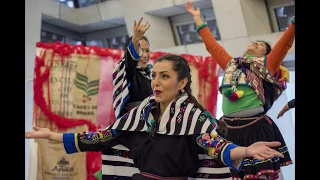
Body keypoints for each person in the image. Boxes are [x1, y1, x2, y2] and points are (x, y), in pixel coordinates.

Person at [26, 54, 285, 180]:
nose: (156, 82)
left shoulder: (194, 117)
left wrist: (246, 149)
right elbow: (102, 138)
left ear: (182, 82)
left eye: (165, 76)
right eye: (154, 76)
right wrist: (51, 135)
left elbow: (217, 147)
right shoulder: (139, 114)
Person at [185, 1, 294, 179]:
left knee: (261, 175)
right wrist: (197, 18)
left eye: (261, 45)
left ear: (266, 54)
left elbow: (285, 43)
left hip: (256, 128)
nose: (256, 44)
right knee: (232, 174)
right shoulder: (231, 65)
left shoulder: (268, 65)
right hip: (228, 128)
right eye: (255, 42)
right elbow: (212, 46)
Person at [98, 17, 154, 179]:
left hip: (150, 129)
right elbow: (130, 62)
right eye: (140, 49)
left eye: (148, 50)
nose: (145, 55)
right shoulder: (126, 71)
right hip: (131, 128)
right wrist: (136, 38)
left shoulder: (152, 75)